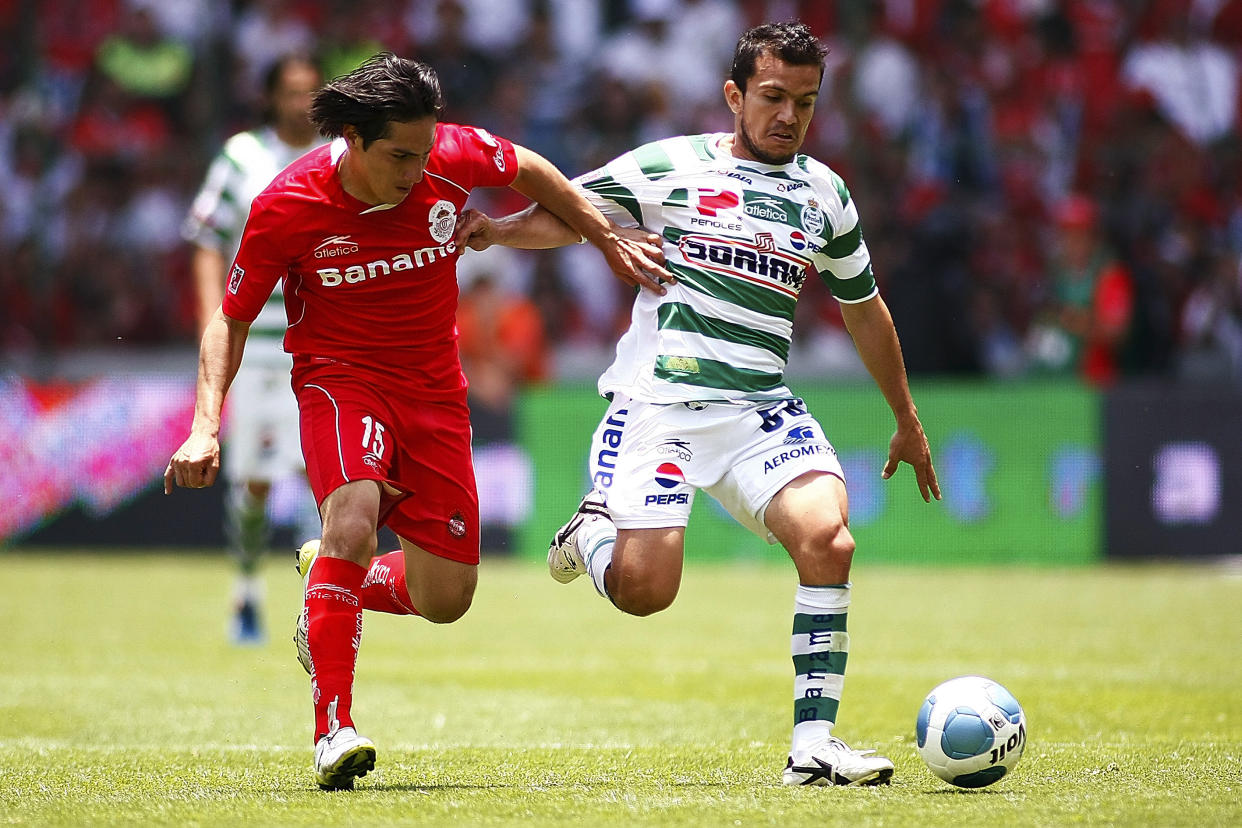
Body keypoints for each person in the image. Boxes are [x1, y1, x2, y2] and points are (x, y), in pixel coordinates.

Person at [164, 52, 669, 790]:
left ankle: (328, 581)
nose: (417, 169)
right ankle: (332, 728)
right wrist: (207, 422)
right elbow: (231, 318)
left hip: (435, 392)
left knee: (448, 599)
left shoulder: (447, 156)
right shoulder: (287, 204)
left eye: (424, 152)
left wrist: (603, 237)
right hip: (340, 382)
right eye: (400, 155)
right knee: (354, 519)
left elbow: (531, 168)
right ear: (352, 140)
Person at [458, 22, 940, 787]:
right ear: (735, 95)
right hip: (661, 406)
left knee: (830, 543)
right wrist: (499, 232)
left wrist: (906, 419)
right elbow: (578, 211)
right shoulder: (670, 166)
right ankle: (592, 539)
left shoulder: (825, 193)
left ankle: (813, 745)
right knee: (647, 593)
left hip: (758, 410)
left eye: (805, 104)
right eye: (774, 97)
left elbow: (864, 308)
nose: (788, 116)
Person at [181, 54, 324, 644]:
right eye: (291, 92)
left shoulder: (338, 155)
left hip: (321, 339)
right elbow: (207, 238)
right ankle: (246, 591)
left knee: (329, 479)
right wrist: (213, 320)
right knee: (258, 482)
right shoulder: (243, 156)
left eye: (310, 92)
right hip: (258, 345)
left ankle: (323, 606)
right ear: (270, 98)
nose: (301, 103)